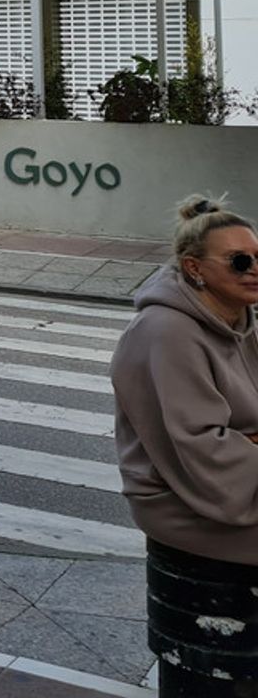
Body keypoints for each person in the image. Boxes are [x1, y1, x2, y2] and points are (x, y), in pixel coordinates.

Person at [112, 194, 258, 684]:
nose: (254, 268)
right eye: (240, 261)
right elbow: (201, 448)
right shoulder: (166, 333)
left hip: (221, 481)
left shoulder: (237, 322)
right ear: (194, 268)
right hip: (180, 500)